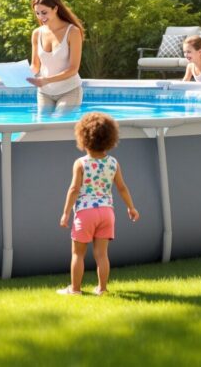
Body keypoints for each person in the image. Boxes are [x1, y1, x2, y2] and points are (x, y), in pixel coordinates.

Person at [57, 112, 139, 296]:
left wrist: (66, 213)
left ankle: (75, 289)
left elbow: (73, 190)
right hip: (107, 213)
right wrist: (131, 207)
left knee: (78, 254)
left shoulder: (81, 163)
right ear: (110, 139)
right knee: (102, 254)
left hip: (85, 213)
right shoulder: (113, 163)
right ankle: (102, 289)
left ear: (83, 138)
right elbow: (122, 187)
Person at [26, 0, 83, 112]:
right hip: (44, 92)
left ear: (55, 9)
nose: (41, 17)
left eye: (44, 12)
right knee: (43, 124)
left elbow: (73, 69)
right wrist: (20, 76)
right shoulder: (37, 33)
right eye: (37, 13)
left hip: (69, 91)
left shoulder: (72, 32)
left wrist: (46, 80)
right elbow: (35, 66)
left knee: (59, 123)